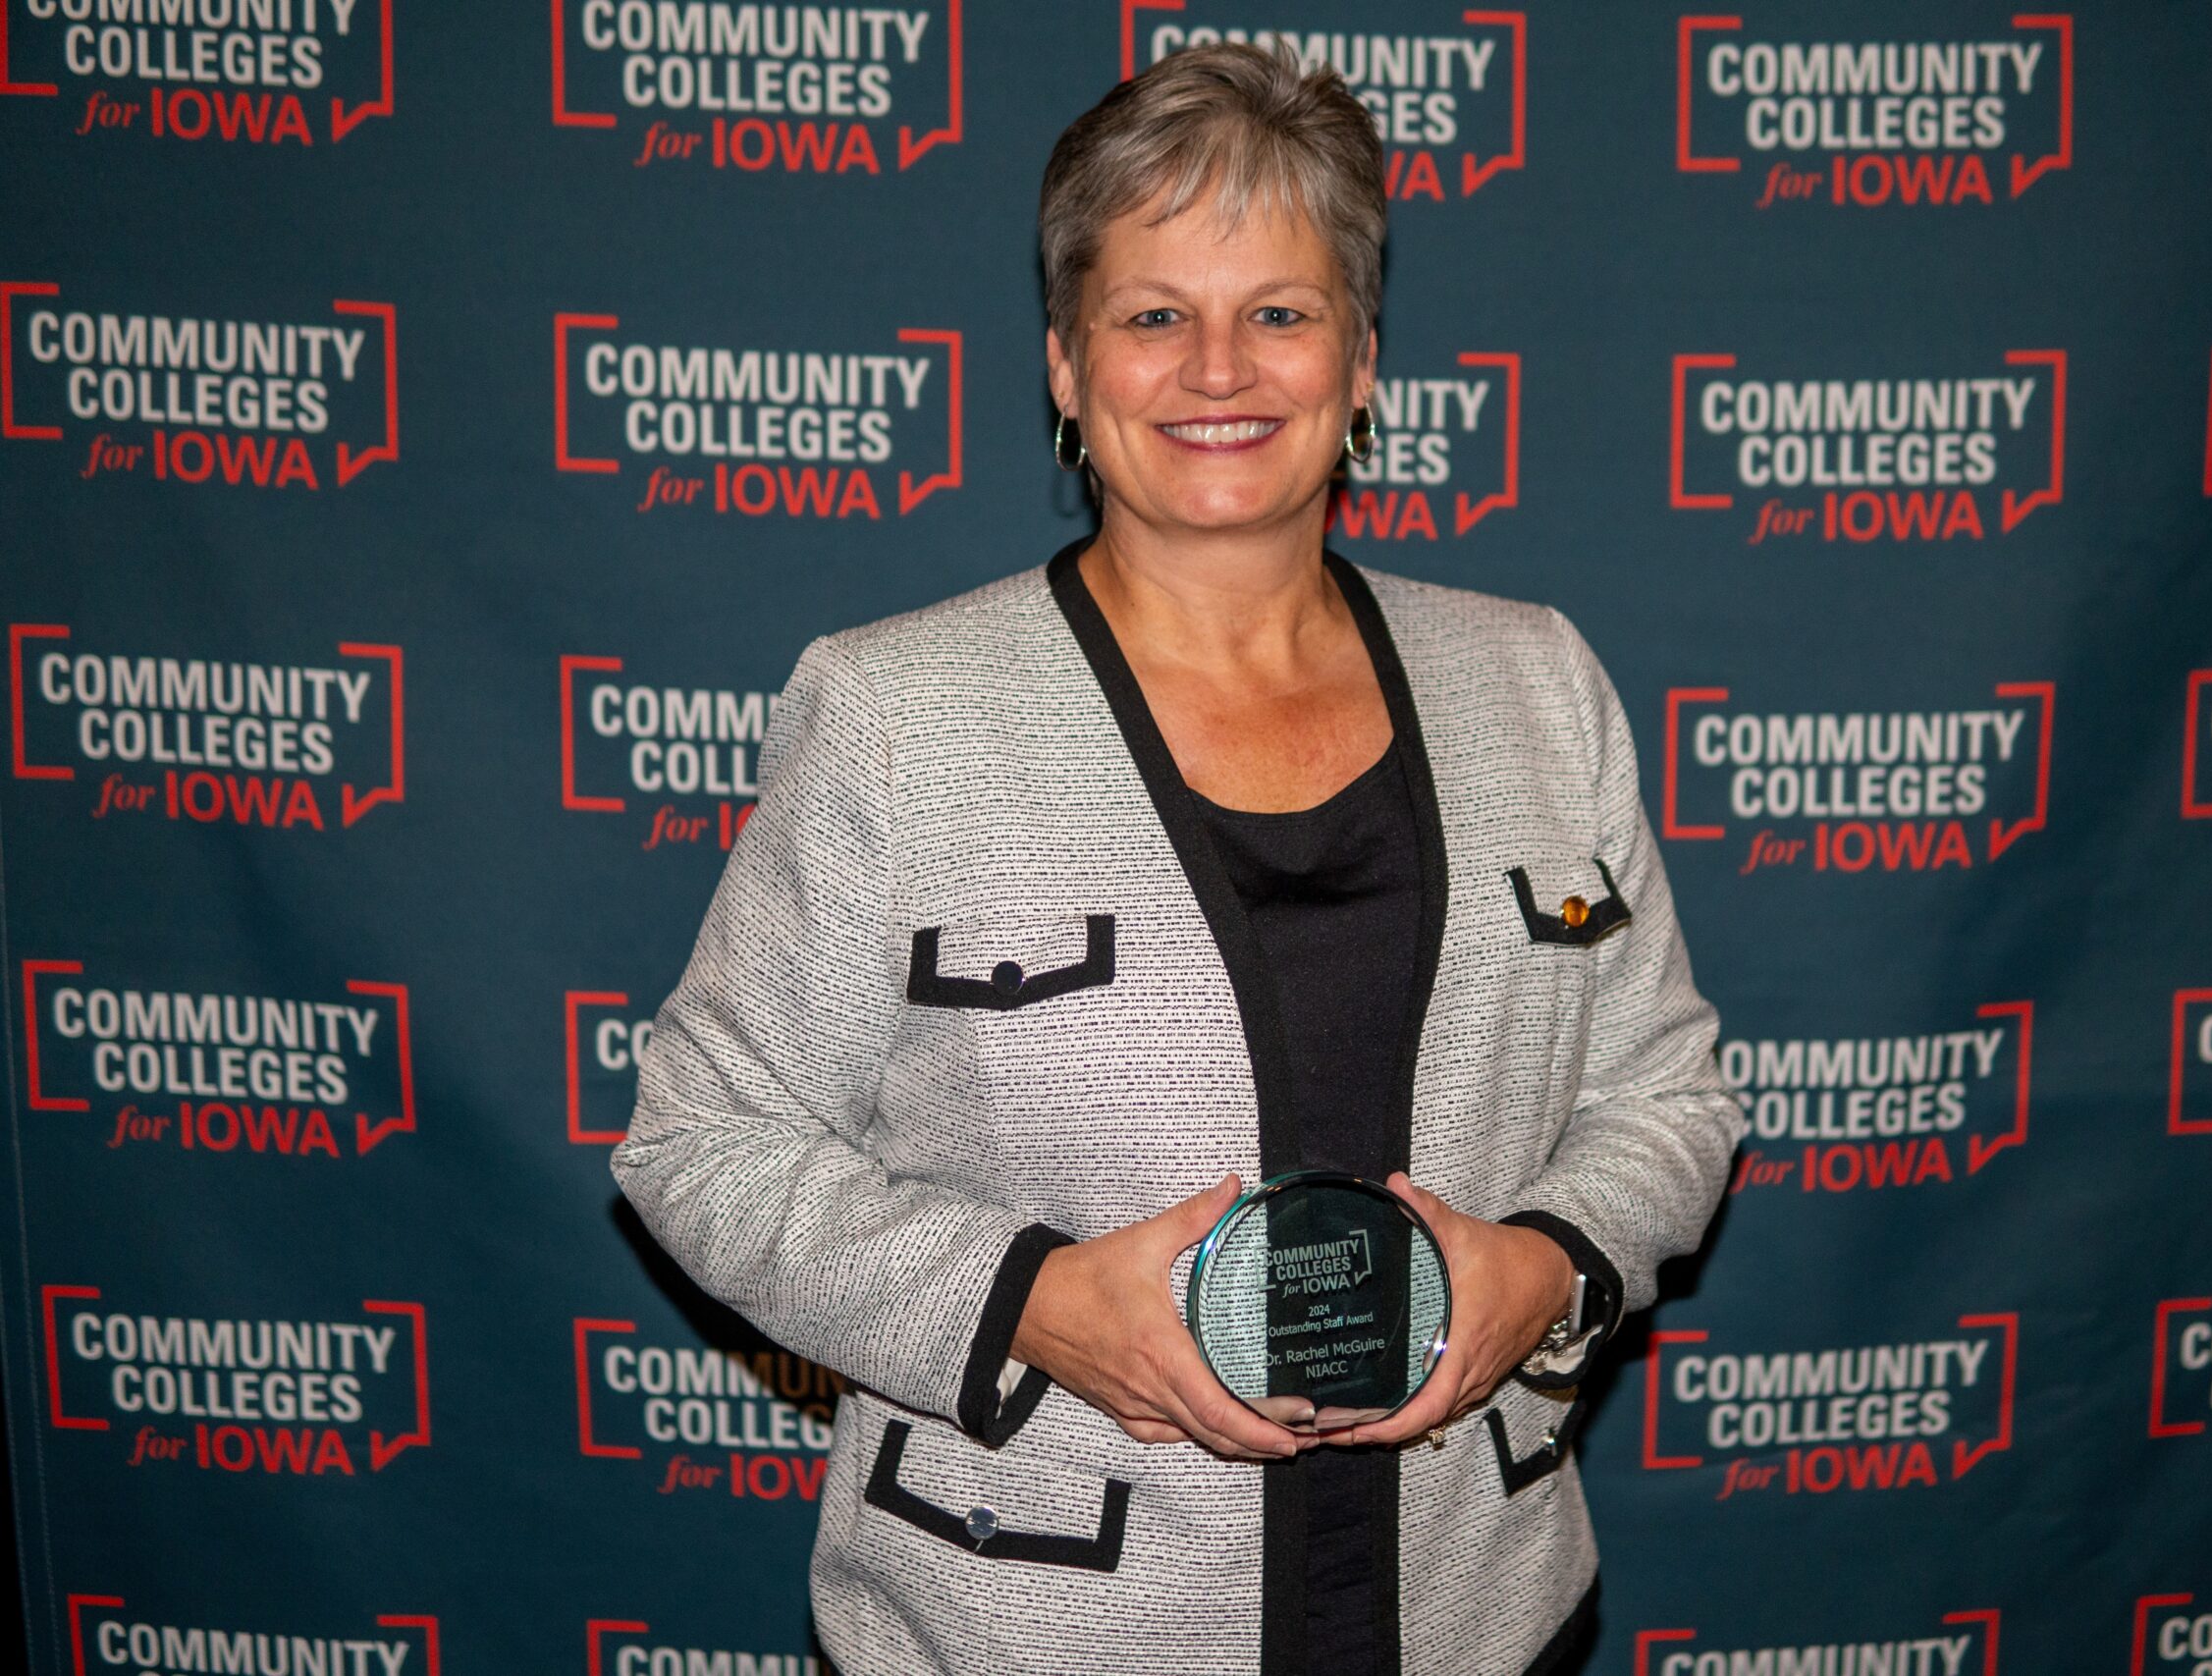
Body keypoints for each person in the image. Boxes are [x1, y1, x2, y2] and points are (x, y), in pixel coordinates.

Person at [612, 41, 1744, 1676]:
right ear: (1068, 367)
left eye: (1280, 312)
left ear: (1362, 361)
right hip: (1030, 1617)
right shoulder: (894, 712)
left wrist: (1549, 1270)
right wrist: (1028, 1303)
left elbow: (1671, 1096)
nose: (1221, 367)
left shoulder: (1538, 682)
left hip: (1473, 1612)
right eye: (1154, 316)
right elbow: (699, 1144)